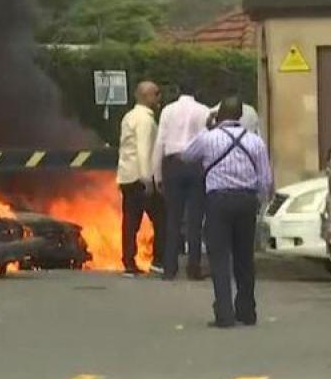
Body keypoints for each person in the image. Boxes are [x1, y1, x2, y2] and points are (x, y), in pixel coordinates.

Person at [182, 96, 273, 328]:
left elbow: (186, 155)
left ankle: (224, 313)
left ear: (218, 114)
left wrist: (207, 127)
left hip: (218, 201)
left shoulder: (208, 138)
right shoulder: (255, 141)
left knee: (220, 258)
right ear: (240, 115)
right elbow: (265, 178)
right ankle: (247, 311)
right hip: (246, 200)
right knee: (245, 258)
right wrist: (259, 201)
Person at [152, 82, 210, 280]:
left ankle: (170, 268)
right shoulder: (204, 111)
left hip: (173, 164)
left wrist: (157, 174)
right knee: (195, 220)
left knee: (173, 218)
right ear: (196, 91)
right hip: (195, 165)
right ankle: (194, 267)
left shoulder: (168, 111)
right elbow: (207, 141)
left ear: (178, 90)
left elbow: (160, 142)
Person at [117, 81, 165, 276]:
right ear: (146, 97)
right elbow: (144, 149)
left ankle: (128, 262)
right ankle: (158, 260)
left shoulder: (129, 116)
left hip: (127, 176)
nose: (159, 98)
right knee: (162, 219)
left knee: (130, 223)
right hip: (141, 178)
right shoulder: (145, 120)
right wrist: (148, 179)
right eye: (156, 94)